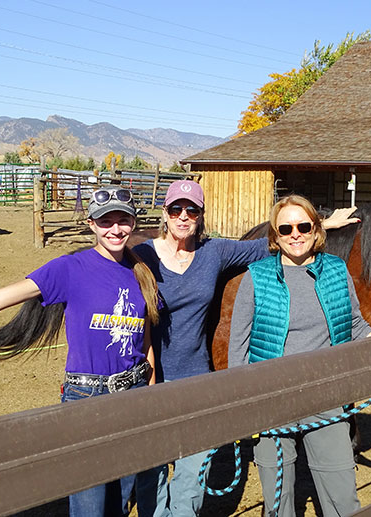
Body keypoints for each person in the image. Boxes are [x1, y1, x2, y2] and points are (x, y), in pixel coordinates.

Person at [0, 186, 159, 517]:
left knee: (120, 501)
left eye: (123, 220)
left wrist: (150, 394)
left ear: (133, 223)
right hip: (86, 396)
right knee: (89, 504)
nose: (116, 229)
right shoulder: (69, 269)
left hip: (133, 393)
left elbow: (144, 340)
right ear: (91, 224)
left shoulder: (140, 272)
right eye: (106, 221)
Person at [133, 180, 359, 517]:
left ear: (200, 215)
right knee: (150, 473)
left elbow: (273, 243)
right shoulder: (142, 255)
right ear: (164, 214)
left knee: (191, 476)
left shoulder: (213, 252)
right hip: (149, 377)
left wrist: (323, 224)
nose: (183, 216)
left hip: (196, 377)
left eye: (191, 209)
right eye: (176, 209)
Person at [227, 194, 371, 517]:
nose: (295, 234)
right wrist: (241, 404)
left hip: (326, 400)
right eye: (285, 228)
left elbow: (355, 324)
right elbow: (238, 347)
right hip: (272, 404)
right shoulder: (257, 277)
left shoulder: (336, 270)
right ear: (275, 236)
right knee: (278, 506)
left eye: (303, 226)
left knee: (343, 500)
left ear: (315, 230)